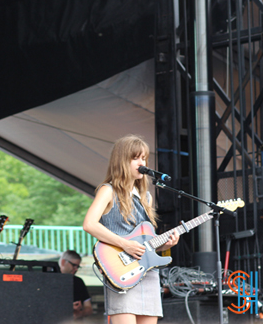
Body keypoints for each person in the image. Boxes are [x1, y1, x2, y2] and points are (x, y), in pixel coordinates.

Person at [82, 134, 179, 324]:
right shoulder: (108, 190)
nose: (142, 162)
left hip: (148, 273)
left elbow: (145, 245)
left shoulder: (146, 198)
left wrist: (164, 245)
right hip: (122, 271)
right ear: (122, 161)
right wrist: (125, 245)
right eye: (136, 158)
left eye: (144, 158)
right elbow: (89, 224)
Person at [58, 250, 92, 320]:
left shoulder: (79, 282)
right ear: (63, 262)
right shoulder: (50, 280)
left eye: (77, 266)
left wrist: (80, 313)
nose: (76, 269)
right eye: (73, 265)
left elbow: (89, 308)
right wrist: (68, 308)